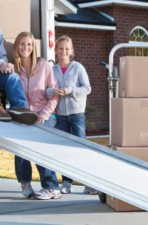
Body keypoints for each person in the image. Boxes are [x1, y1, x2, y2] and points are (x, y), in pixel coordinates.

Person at [46, 35, 98, 195]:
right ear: (55, 51)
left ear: (71, 51)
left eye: (67, 49)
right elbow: (46, 90)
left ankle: (89, 184)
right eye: (60, 48)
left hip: (77, 115)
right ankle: (66, 183)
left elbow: (87, 88)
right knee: (64, 151)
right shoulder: (52, 69)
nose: (63, 51)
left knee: (81, 149)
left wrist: (71, 91)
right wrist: (52, 91)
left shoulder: (78, 67)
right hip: (60, 116)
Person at [12, 32, 61, 200]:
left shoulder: (44, 66)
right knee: (19, 147)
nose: (26, 48)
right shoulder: (14, 68)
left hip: (44, 115)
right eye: (22, 44)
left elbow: (54, 94)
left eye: (29, 45)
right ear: (17, 46)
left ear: (33, 48)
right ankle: (25, 182)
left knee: (40, 147)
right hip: (23, 116)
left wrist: (44, 115)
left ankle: (52, 187)